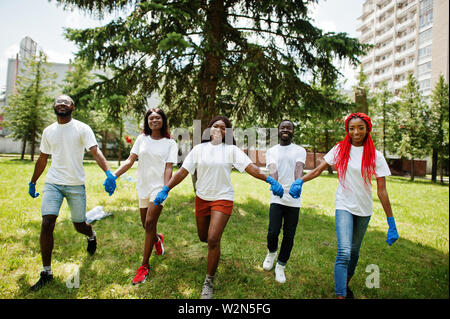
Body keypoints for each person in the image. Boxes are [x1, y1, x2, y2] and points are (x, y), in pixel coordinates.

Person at [153, 116, 284, 299]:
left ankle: (209, 281)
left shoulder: (231, 150)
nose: (219, 130)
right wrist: (166, 188)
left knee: (213, 239)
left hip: (223, 198)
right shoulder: (199, 149)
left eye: (224, 128)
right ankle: (214, 248)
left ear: (227, 133)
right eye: (216, 126)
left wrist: (269, 179)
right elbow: (183, 172)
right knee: (204, 237)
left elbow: (250, 167)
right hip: (202, 198)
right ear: (209, 129)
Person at [290, 112, 399, 299]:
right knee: (344, 252)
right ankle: (341, 295)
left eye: (360, 128)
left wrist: (391, 222)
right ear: (347, 131)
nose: (356, 132)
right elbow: (318, 170)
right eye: (352, 128)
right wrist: (299, 181)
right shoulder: (340, 149)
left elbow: (382, 191)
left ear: (367, 129)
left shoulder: (376, 155)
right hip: (344, 205)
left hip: (364, 209)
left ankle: (345, 284)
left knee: (354, 253)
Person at [28, 94, 115, 291]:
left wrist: (109, 172)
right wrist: (33, 181)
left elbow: (95, 151)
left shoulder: (82, 129)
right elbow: (43, 158)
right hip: (53, 183)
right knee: (47, 222)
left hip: (76, 184)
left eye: (65, 102)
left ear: (72, 107)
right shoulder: (49, 131)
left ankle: (91, 234)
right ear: (54, 107)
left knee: (79, 225)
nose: (61, 104)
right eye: (58, 102)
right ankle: (47, 272)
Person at [106, 108, 178, 285]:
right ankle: (157, 239)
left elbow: (169, 167)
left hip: (159, 188)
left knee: (149, 224)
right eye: (151, 118)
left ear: (163, 121)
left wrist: (166, 188)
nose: (154, 120)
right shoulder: (141, 139)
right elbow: (130, 161)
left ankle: (144, 266)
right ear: (147, 121)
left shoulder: (170, 143)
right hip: (143, 186)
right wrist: (113, 175)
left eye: (158, 118)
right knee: (145, 224)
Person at [262, 120, 306, 284]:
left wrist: (297, 182)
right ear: (278, 131)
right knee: (273, 231)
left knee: (289, 235)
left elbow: (299, 167)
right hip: (277, 196)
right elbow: (272, 168)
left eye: (289, 127)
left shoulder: (299, 150)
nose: (286, 129)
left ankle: (281, 265)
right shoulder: (272, 150)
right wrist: (275, 184)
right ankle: (271, 252)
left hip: (294, 198)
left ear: (293, 131)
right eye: (282, 127)